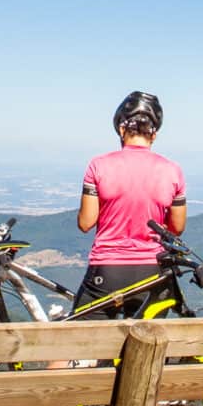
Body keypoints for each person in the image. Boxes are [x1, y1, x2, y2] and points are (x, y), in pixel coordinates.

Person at [71, 91, 187, 316]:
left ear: (121, 130)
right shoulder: (173, 171)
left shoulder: (98, 166)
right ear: (153, 135)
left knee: (84, 342)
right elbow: (177, 228)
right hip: (152, 273)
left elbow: (86, 223)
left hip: (106, 271)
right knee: (145, 348)